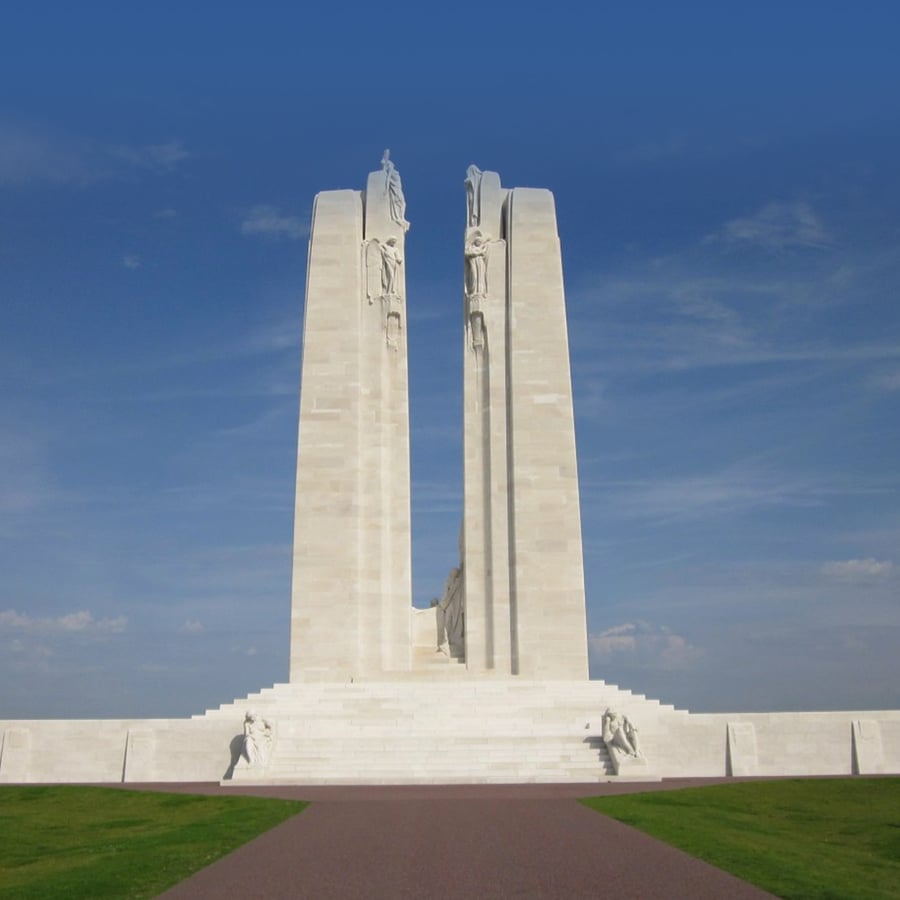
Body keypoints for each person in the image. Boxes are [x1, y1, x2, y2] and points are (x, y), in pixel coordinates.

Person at [381, 150, 410, 232]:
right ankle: (400, 218)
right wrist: (386, 189)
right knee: (401, 203)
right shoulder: (390, 171)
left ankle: (401, 217)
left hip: (398, 188)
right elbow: (388, 178)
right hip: (396, 189)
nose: (392, 165)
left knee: (403, 203)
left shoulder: (394, 171)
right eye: (390, 164)